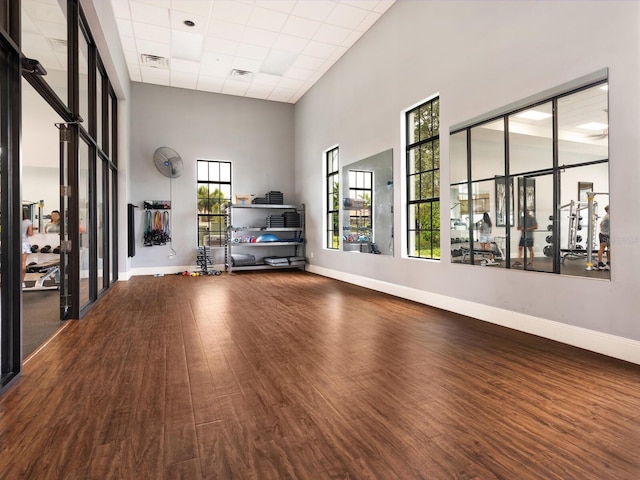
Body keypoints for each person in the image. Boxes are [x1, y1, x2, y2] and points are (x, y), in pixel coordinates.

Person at [596, 205, 610, 271]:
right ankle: (601, 263)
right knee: (604, 248)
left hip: (603, 234)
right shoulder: (608, 217)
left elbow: (600, 224)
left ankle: (607, 262)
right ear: (608, 210)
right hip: (605, 235)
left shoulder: (606, 216)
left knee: (608, 249)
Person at [22, 212, 34, 287]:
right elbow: (30, 233)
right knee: (23, 263)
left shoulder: (10, 220)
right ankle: (21, 282)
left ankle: (12, 280)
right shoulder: (27, 222)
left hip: (12, 244)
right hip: (24, 243)